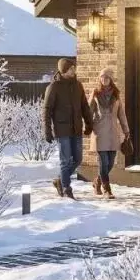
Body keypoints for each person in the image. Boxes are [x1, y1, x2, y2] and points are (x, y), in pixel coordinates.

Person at [42, 58, 93, 200]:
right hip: (62, 130)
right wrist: (47, 130)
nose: (73, 70)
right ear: (64, 70)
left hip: (76, 128)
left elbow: (84, 107)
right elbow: (47, 110)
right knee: (65, 161)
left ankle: (60, 180)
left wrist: (89, 123)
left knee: (77, 159)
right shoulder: (54, 87)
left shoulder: (78, 86)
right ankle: (66, 188)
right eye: (71, 68)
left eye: (74, 68)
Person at [88, 67, 129, 199]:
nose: (103, 79)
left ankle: (97, 182)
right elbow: (88, 112)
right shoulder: (95, 94)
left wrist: (126, 130)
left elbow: (121, 114)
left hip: (112, 132)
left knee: (110, 162)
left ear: (110, 79)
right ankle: (107, 189)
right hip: (99, 131)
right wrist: (88, 126)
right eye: (101, 77)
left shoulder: (116, 95)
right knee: (103, 162)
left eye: (106, 77)